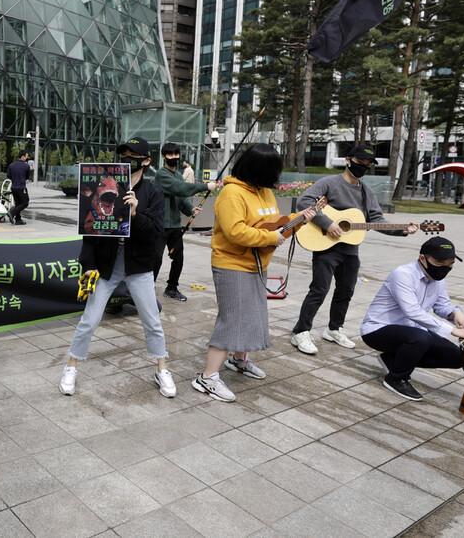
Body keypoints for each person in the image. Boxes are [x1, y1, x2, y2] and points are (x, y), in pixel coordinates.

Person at [192, 144, 316, 402]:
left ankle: (239, 360)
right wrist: (270, 236)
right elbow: (235, 232)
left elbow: (275, 224)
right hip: (231, 264)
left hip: (256, 263)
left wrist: (298, 219)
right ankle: (207, 377)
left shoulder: (264, 191)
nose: (275, 179)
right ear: (258, 170)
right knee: (232, 319)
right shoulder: (231, 193)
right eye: (272, 173)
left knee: (252, 316)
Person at [59, 137, 176, 398]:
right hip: (106, 264)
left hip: (139, 266)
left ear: (146, 161)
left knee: (152, 321)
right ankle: (71, 366)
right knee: (89, 319)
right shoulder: (104, 186)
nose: (127, 158)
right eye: (123, 153)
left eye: (133, 155)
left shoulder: (153, 193)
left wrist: (136, 214)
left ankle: (162, 368)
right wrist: (88, 265)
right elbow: (90, 231)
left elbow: (157, 233)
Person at [290, 144, 419, 355]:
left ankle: (333, 329)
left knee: (346, 291)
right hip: (326, 247)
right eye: (360, 163)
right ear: (348, 160)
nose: (363, 168)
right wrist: (327, 223)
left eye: (368, 165)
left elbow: (377, 220)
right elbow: (304, 201)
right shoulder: (329, 183)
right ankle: (301, 331)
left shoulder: (367, 192)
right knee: (319, 290)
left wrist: (401, 230)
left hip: (350, 250)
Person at [360, 237, 464, 401]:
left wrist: (455, 314)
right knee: (420, 338)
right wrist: (452, 330)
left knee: (457, 358)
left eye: (450, 264)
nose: (445, 268)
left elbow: (442, 306)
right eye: (440, 262)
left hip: (412, 332)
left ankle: (394, 359)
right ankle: (396, 378)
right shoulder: (403, 274)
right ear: (422, 258)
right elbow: (412, 311)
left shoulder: (438, 280)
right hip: (378, 329)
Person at [154, 143, 216, 301]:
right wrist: (204, 186)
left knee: (178, 257)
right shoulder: (161, 174)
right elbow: (179, 188)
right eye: (170, 155)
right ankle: (147, 287)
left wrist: (190, 209)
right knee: (155, 258)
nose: (174, 157)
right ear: (163, 157)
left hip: (175, 225)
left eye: (176, 154)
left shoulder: (178, 175)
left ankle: (172, 288)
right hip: (160, 225)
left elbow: (182, 198)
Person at [6, 149, 32, 225]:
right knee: (25, 202)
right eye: (27, 156)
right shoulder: (26, 166)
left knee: (18, 203)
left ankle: (18, 219)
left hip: (13, 187)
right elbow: (27, 177)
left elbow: (8, 176)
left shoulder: (11, 165)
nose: (28, 158)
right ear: (23, 156)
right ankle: (12, 213)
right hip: (21, 187)